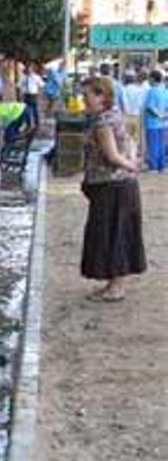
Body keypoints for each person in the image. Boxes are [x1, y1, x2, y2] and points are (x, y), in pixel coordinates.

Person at [79, 77, 146, 302]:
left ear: (101, 96)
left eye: (86, 95)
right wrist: (133, 163)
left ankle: (116, 288)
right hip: (120, 185)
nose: (83, 100)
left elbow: (112, 155)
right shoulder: (115, 115)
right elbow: (131, 142)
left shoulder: (102, 123)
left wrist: (131, 166)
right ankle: (113, 285)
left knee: (112, 235)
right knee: (118, 234)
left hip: (112, 186)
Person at [143, 70, 168, 173]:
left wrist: (159, 115)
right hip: (164, 124)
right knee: (162, 145)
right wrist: (164, 116)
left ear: (153, 79)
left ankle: (153, 167)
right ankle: (163, 166)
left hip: (153, 123)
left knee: (153, 145)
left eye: (149, 78)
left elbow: (150, 107)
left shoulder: (152, 91)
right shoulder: (165, 91)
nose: (148, 80)